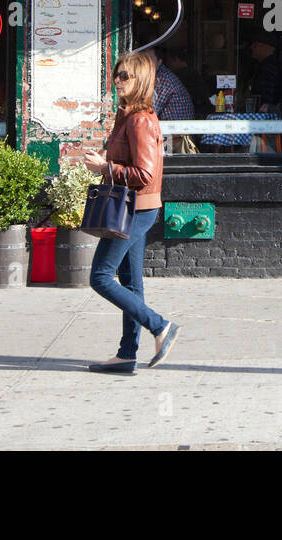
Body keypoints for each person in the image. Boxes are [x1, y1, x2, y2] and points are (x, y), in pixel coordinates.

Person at [84, 50, 180, 374]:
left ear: (142, 81)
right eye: (117, 74)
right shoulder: (127, 115)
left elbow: (144, 174)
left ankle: (160, 326)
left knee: (100, 277)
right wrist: (107, 160)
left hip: (136, 209)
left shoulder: (139, 119)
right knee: (130, 282)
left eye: (126, 76)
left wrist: (106, 167)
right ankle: (127, 354)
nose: (118, 80)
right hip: (135, 207)